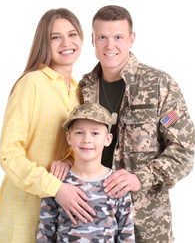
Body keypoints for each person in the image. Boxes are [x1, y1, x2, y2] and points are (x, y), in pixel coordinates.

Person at [79, 5, 195, 243]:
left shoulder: (159, 85)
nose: (109, 46)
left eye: (118, 37)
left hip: (146, 222)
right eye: (102, 37)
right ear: (93, 40)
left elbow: (183, 151)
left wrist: (140, 178)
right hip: (93, 217)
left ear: (131, 39)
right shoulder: (83, 88)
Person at [0, 8, 96, 243]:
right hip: (22, 211)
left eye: (72, 34)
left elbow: (76, 145)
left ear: (82, 38)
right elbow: (8, 154)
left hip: (58, 215)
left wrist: (68, 160)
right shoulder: (31, 84)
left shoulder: (79, 92)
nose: (66, 42)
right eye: (55, 37)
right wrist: (56, 187)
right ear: (44, 42)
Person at [36, 102, 135, 243]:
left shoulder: (117, 183)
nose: (87, 140)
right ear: (68, 138)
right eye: (79, 133)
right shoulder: (57, 181)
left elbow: (127, 236)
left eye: (95, 133)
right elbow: (45, 234)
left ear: (108, 139)